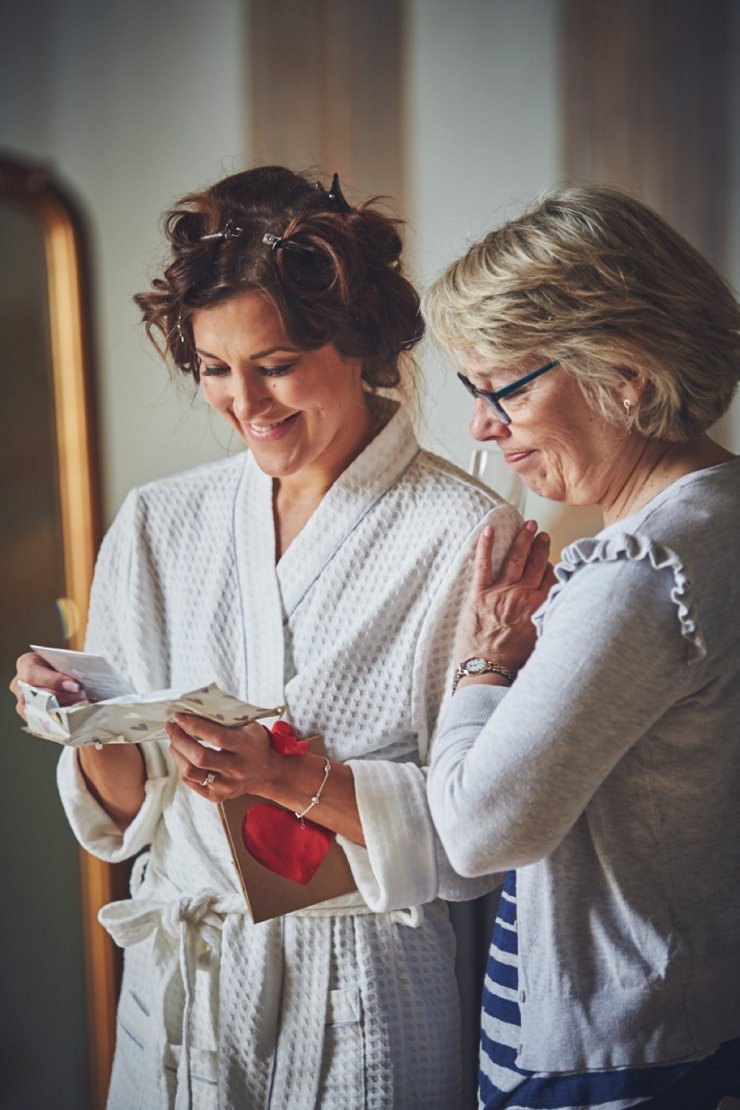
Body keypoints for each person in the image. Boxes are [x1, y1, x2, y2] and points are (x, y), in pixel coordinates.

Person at [11, 166, 521, 1109]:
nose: (245, 402)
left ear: (357, 341)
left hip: (367, 988)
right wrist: (90, 722)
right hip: (183, 979)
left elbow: (483, 829)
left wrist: (280, 774)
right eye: (213, 369)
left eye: (276, 363)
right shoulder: (159, 523)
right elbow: (127, 821)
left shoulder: (465, 533)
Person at [422, 185, 740, 1109]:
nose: (482, 425)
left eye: (503, 389)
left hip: (616, 1057)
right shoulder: (721, 515)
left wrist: (485, 658)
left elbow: (479, 832)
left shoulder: (640, 575)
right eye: (471, 390)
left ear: (624, 376)